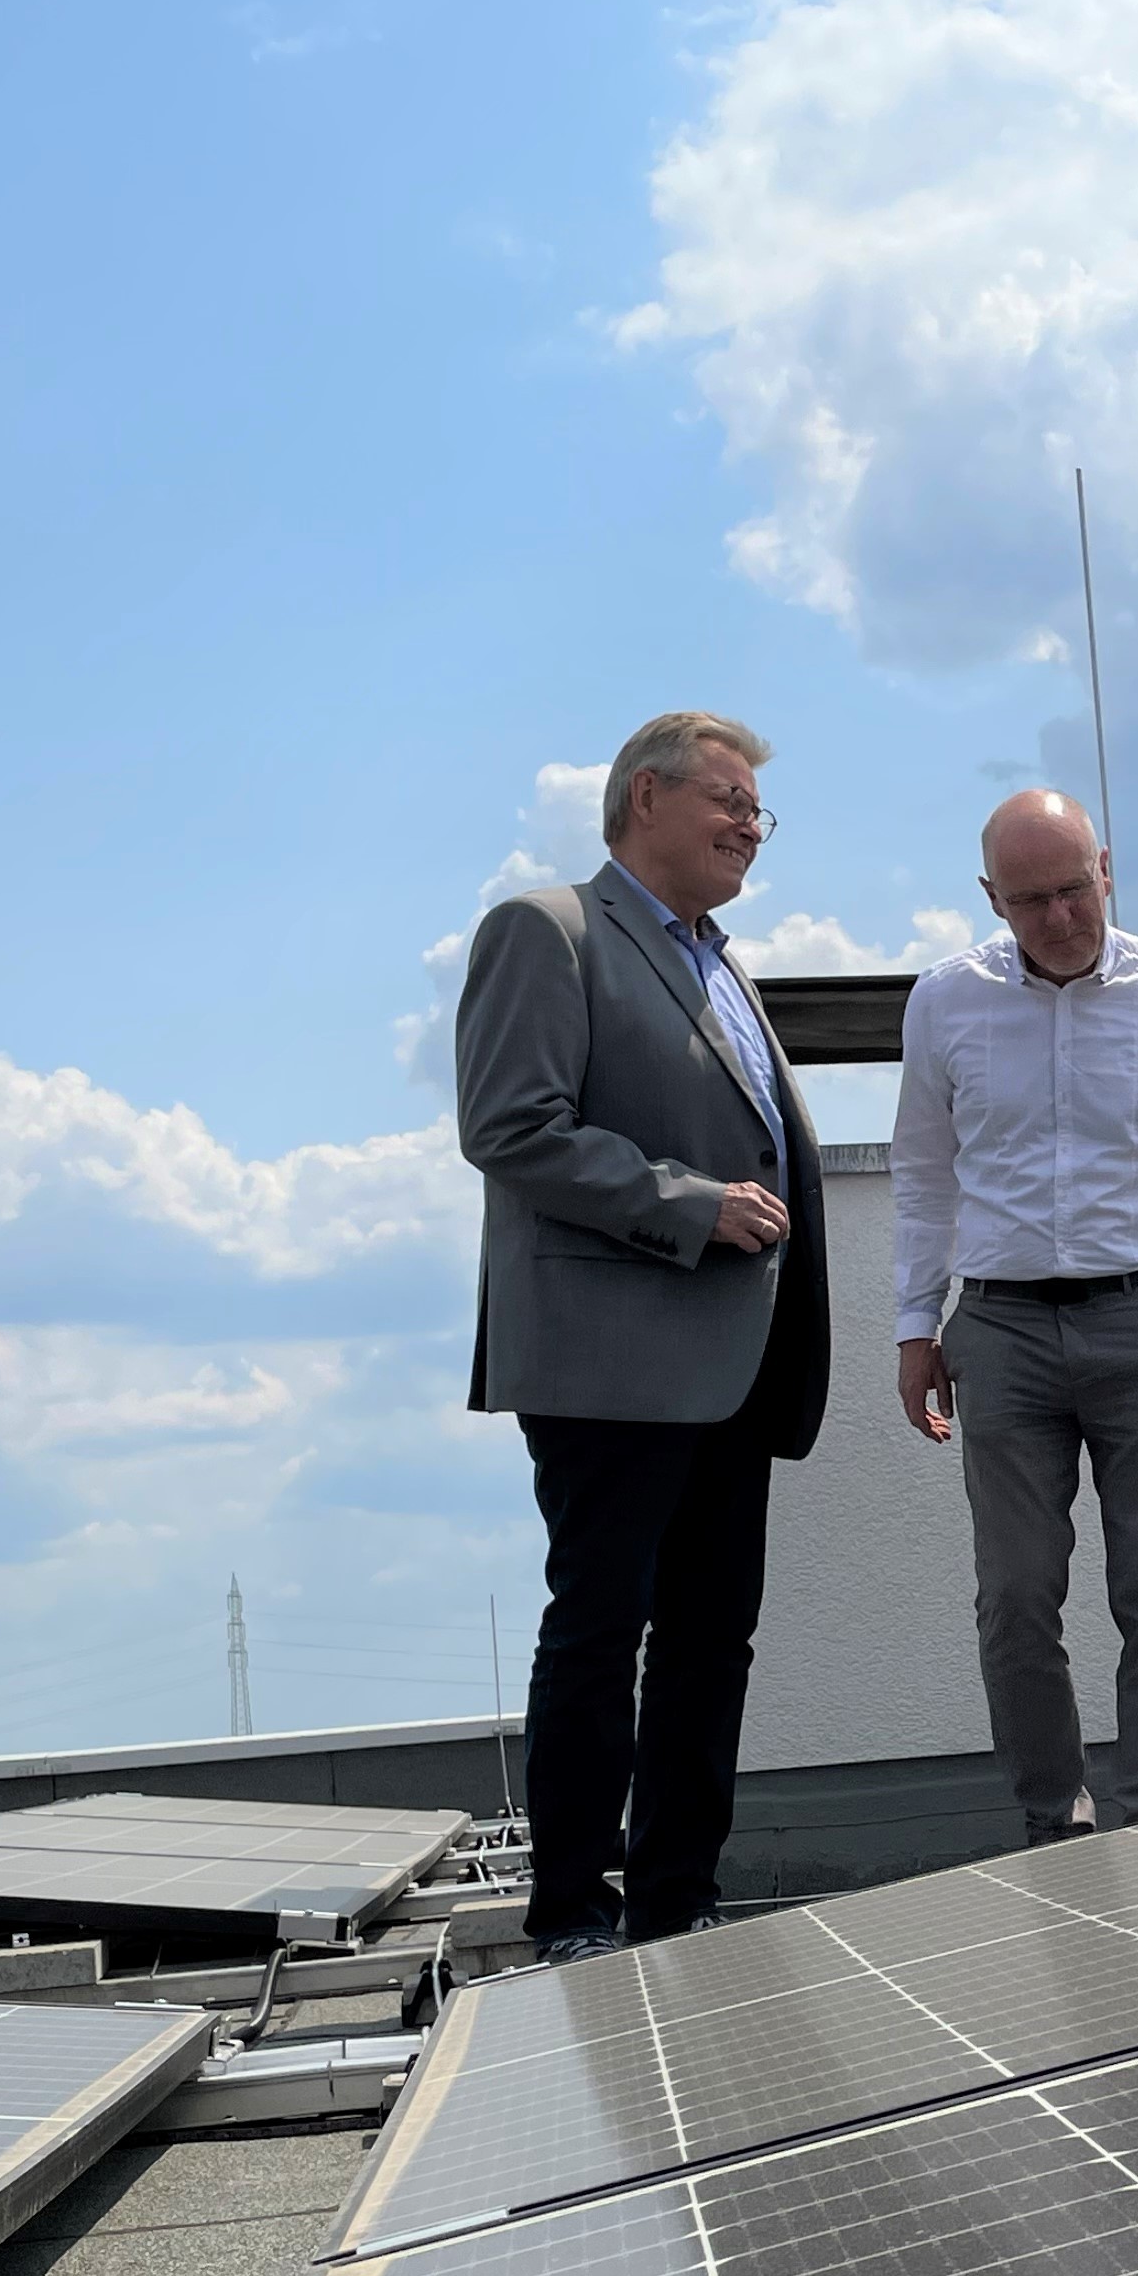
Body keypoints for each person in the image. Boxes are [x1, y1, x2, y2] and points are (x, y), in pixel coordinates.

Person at [456, 710, 829, 1956]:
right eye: (728, 799)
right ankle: (572, 1912)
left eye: (758, 811)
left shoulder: (721, 960)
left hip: (732, 1369)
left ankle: (679, 1901)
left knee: (711, 1643)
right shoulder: (548, 929)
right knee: (601, 1632)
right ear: (643, 799)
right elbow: (513, 1127)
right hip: (610, 1364)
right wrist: (691, 1205)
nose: (748, 826)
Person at [895, 790, 1138, 1841]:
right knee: (1015, 1597)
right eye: (1030, 902)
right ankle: (1054, 1831)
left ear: (1106, 870)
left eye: (1074, 890)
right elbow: (923, 1177)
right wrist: (912, 1325)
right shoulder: (944, 1002)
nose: (1059, 919)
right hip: (1001, 1329)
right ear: (992, 898)